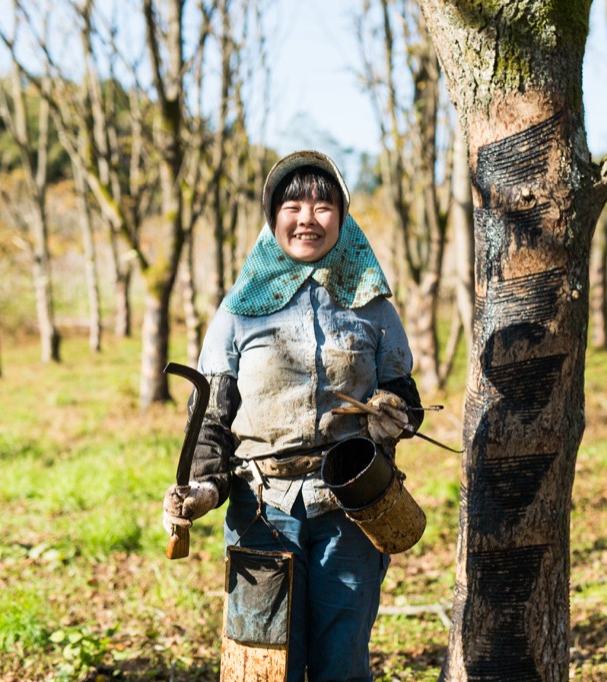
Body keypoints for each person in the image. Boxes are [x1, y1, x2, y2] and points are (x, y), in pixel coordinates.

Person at [162, 150, 423, 682]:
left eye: (323, 205)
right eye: (293, 204)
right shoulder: (237, 311)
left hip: (352, 510)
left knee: (342, 665)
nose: (308, 218)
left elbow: (404, 395)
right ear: (273, 214)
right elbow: (212, 419)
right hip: (262, 511)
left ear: (343, 216)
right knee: (261, 667)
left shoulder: (372, 306)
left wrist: (393, 415)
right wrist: (203, 491)